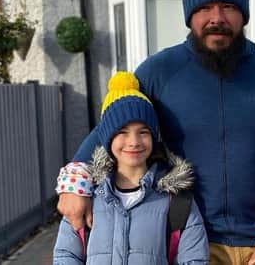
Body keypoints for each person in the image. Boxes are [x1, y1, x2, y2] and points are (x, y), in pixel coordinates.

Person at [56, 0, 255, 265]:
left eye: (228, 6)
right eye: (204, 8)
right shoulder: (159, 72)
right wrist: (75, 182)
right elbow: (113, 127)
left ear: (243, 13)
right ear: (189, 15)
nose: (217, 18)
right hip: (186, 239)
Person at [52, 71, 209, 264]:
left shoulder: (178, 202)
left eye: (143, 132)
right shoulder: (87, 196)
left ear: (154, 137)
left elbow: (194, 260)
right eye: (122, 132)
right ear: (107, 138)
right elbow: (66, 255)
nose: (133, 142)